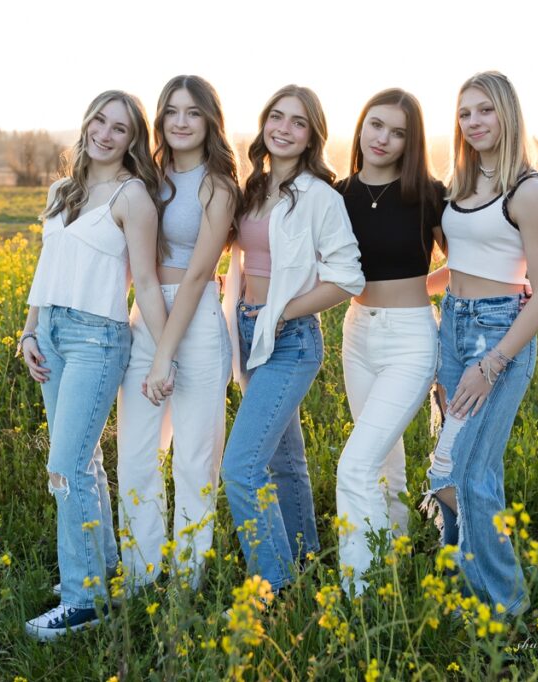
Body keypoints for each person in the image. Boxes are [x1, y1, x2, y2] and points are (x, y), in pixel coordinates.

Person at [18, 90, 168, 640]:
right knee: (83, 461)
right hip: (53, 334)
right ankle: (100, 571)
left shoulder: (133, 197)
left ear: (134, 141)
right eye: (99, 122)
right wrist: (30, 330)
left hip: (98, 339)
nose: (105, 134)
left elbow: (147, 282)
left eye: (120, 129)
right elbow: (47, 263)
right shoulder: (63, 190)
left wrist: (166, 351)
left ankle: (83, 604)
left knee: (65, 465)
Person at [220, 85, 365, 595]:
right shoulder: (251, 188)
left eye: (297, 122)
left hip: (289, 339)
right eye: (276, 117)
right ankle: (304, 562)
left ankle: (276, 587)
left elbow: (348, 277)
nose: (283, 128)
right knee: (283, 461)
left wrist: (281, 313)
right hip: (246, 327)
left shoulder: (320, 197)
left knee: (240, 468)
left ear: (311, 137)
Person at [425, 71, 538, 619]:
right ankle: (464, 589)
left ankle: (506, 610)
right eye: (464, 113)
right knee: (453, 469)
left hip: (497, 335)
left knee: (468, 474)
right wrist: (391, 292)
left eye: (485, 111)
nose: (474, 122)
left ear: (507, 115)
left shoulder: (528, 190)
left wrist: (494, 362)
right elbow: (457, 267)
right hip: (452, 324)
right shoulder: (459, 188)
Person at [116, 75, 238, 591]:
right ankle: (141, 574)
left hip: (197, 322)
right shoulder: (145, 177)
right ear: (160, 120)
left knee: (194, 458)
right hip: (146, 316)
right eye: (171, 112)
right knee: (137, 454)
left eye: (192, 112)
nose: (181, 122)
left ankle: (187, 579)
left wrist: (164, 355)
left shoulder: (219, 185)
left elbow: (194, 275)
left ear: (210, 119)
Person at [333, 89, 445, 595]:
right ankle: (393, 560)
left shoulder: (428, 194)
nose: (383, 138)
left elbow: (465, 265)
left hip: (410, 339)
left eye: (398, 132)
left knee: (354, 464)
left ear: (411, 141)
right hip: (357, 334)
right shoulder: (339, 194)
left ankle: (358, 589)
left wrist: (421, 288)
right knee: (383, 461)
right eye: (376, 125)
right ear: (360, 127)